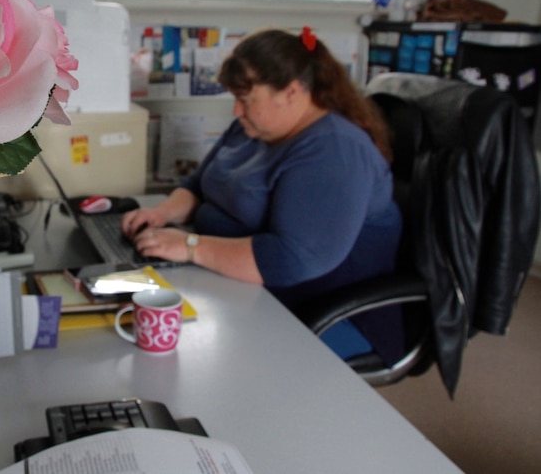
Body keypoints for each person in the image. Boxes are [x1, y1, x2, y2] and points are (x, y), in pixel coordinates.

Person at [121, 27, 403, 361]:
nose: (237, 112)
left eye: (245, 100)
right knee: (133, 316)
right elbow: (200, 183)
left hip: (316, 309)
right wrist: (164, 213)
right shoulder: (255, 127)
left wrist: (188, 246)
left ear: (292, 92)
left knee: (183, 355)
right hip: (240, 285)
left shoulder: (334, 151)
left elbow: (289, 260)